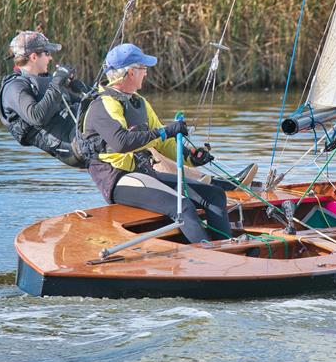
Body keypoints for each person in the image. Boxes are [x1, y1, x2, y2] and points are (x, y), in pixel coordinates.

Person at [81, 43, 232, 243]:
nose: (146, 74)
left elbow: (163, 143)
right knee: (183, 206)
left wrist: (191, 157)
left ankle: (226, 246)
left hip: (144, 173)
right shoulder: (102, 106)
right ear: (131, 73)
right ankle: (209, 258)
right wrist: (166, 131)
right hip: (117, 178)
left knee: (214, 195)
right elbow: (121, 143)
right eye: (144, 69)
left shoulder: (139, 102)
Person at [0, 31, 88, 167]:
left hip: (81, 134)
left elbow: (83, 104)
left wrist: (83, 90)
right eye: (47, 53)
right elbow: (37, 117)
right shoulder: (14, 87)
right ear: (34, 57)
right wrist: (57, 83)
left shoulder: (45, 80)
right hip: (72, 148)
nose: (50, 58)